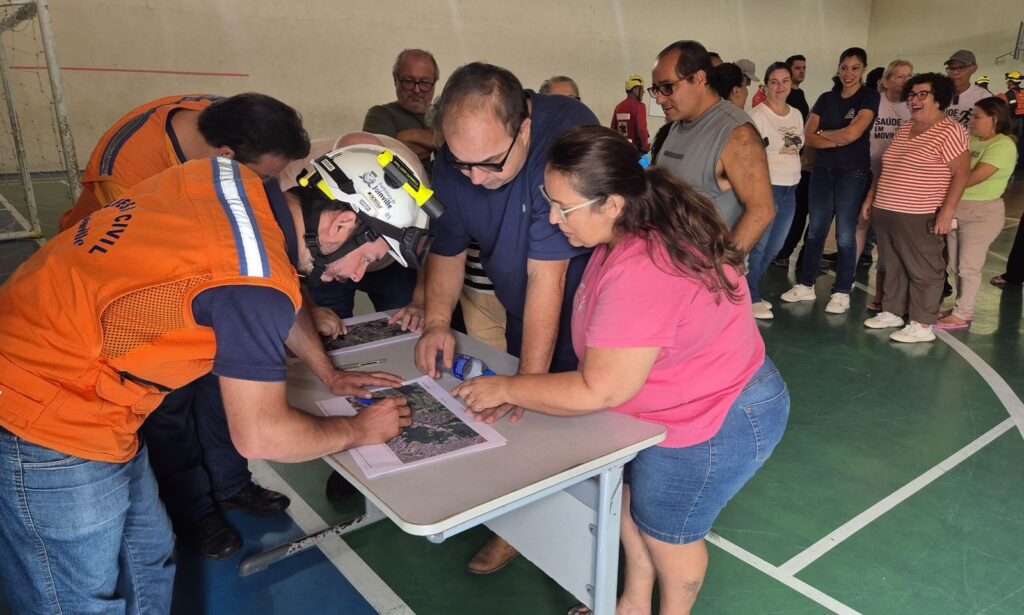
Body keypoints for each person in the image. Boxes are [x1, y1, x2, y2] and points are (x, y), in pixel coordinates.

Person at [0, 143, 440, 613]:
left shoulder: (227, 181)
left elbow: (279, 286)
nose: (356, 276)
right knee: (77, 601)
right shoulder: (251, 281)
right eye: (368, 259)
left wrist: (328, 373)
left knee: (148, 558)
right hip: (45, 409)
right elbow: (260, 435)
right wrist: (358, 430)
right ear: (340, 224)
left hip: (84, 379)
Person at [451, 125, 789, 615]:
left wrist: (509, 387)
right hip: (672, 408)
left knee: (669, 537)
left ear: (611, 203)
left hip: (717, 419)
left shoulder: (645, 268)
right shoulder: (626, 232)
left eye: (562, 207)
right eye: (548, 199)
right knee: (635, 508)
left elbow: (600, 389)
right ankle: (630, 606)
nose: (551, 217)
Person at [57, 92, 311, 559]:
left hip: (202, 276)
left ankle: (232, 483)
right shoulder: (128, 164)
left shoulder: (227, 119)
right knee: (170, 407)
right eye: (265, 178)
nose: (269, 188)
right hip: (127, 294)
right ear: (228, 157)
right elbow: (142, 265)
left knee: (222, 388)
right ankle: (193, 509)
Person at [413, 62, 598, 574]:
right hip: (525, 307)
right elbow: (447, 249)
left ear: (526, 127)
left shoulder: (565, 137)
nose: (475, 178)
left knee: (576, 424)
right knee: (524, 420)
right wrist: (435, 322)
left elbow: (549, 277)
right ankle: (523, 521)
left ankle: (581, 535)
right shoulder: (461, 155)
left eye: (490, 163)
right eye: (461, 163)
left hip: (587, 313)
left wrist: (527, 386)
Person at [58, 93, 305, 230]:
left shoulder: (219, 111)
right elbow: (144, 256)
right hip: (102, 252)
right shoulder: (128, 178)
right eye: (260, 176)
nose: (264, 184)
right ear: (226, 156)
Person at [861, 73, 969, 342]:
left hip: (920, 213)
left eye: (923, 95)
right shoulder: (906, 128)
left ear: (939, 98)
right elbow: (889, 167)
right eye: (912, 95)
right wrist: (872, 197)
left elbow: (961, 174)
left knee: (924, 268)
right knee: (892, 265)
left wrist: (947, 212)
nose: (915, 100)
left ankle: (922, 325)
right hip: (888, 210)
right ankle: (893, 311)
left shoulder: (951, 130)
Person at [651, 40, 774, 253]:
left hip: (702, 273)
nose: (660, 99)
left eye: (668, 87)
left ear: (699, 79)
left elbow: (762, 211)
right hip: (666, 262)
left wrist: (721, 269)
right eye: (656, 89)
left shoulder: (736, 133)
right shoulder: (676, 126)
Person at [781, 47, 880, 314]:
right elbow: (807, 136)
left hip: (853, 173)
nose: (849, 73)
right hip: (822, 172)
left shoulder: (869, 97)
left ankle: (842, 291)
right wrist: (839, 137)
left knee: (846, 235)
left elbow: (853, 134)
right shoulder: (826, 98)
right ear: (838, 69)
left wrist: (827, 135)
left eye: (855, 68)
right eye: (844, 67)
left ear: (863, 70)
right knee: (815, 231)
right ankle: (806, 285)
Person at [938, 98, 1018, 328]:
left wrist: (940, 185)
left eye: (977, 116)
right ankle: (959, 306)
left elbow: (971, 178)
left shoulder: (1003, 146)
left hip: (981, 213)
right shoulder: (970, 140)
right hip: (955, 209)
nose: (971, 120)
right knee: (953, 262)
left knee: (968, 265)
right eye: (972, 115)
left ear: (995, 119)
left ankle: (963, 313)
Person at [747, 62, 803, 319]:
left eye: (785, 81)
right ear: (766, 85)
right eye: (774, 82)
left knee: (776, 245)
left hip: (791, 188)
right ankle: (750, 295)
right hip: (768, 187)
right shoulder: (758, 115)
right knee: (759, 245)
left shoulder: (796, 114)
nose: (780, 87)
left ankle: (753, 288)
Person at [861, 60, 914, 312]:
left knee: (889, 241)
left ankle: (890, 296)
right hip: (867, 173)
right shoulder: (873, 101)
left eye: (909, 76)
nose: (905, 80)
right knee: (860, 227)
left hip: (898, 182)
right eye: (900, 76)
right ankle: (851, 279)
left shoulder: (914, 108)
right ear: (886, 81)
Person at [362, 49, 439, 169]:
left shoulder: (445, 116)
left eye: (425, 83)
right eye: (408, 81)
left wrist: (409, 135)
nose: (416, 90)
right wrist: (440, 140)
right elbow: (385, 159)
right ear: (395, 80)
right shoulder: (380, 114)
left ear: (434, 82)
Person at [943, 50, 992, 128]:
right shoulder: (938, 94)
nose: (955, 73)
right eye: (951, 68)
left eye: (961, 68)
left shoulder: (983, 97)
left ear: (974, 69)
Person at [611, 74, 651, 154]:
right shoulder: (640, 106)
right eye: (642, 89)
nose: (643, 92)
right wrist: (646, 147)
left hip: (621, 149)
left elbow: (612, 129)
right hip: (636, 151)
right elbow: (642, 129)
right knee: (646, 165)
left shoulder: (618, 106)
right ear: (636, 90)